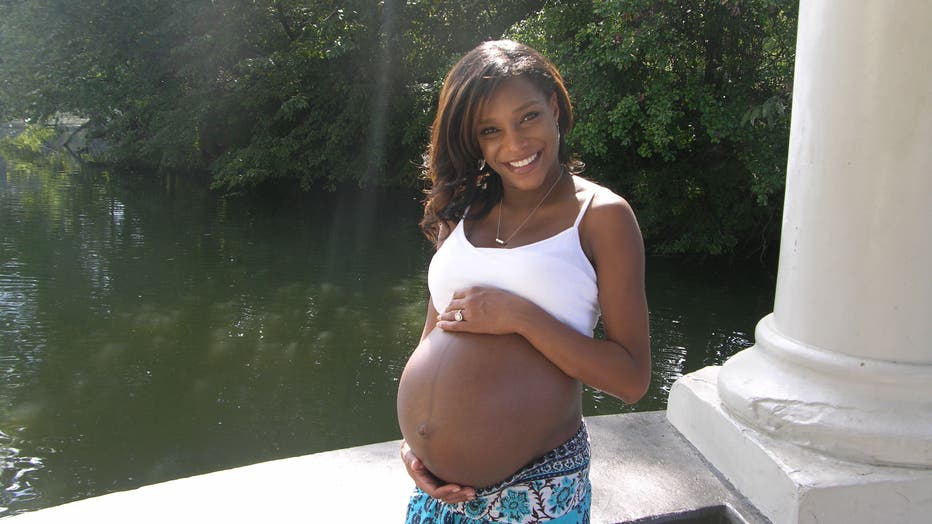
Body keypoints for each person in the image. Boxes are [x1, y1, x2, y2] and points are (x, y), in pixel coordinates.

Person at [396, 40, 650, 523]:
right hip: (437, 494)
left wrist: (520, 317)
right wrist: (415, 446)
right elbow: (435, 333)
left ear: (555, 108)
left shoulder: (601, 217)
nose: (514, 145)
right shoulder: (464, 210)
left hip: (537, 494)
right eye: (491, 130)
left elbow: (632, 379)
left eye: (528, 117)